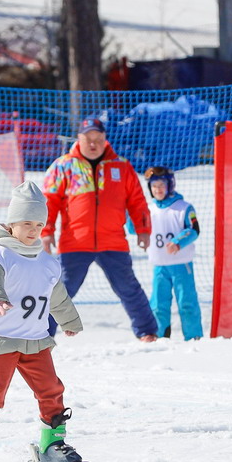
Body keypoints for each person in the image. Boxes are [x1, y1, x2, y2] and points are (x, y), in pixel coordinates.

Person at [0, 181, 85, 462]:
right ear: (12, 223)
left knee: (51, 389)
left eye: (39, 225)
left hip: (36, 339)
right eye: (26, 223)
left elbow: (57, 295)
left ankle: (52, 445)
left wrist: (69, 320)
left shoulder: (47, 262)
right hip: (1, 337)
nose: (33, 230)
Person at [41, 117, 158, 342]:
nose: (93, 144)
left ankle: (147, 331)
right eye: (88, 139)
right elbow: (49, 201)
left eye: (98, 139)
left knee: (128, 287)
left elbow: (137, 201)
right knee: (60, 291)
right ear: (79, 139)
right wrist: (46, 232)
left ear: (105, 139)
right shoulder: (63, 166)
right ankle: (41, 335)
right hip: (75, 242)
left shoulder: (121, 166)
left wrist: (143, 229)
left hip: (113, 241)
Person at [142, 166, 203, 340]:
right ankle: (160, 337)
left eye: (161, 185)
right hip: (160, 266)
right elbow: (135, 228)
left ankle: (194, 337)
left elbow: (194, 229)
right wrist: (128, 212)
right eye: (154, 186)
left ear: (170, 185)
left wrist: (178, 242)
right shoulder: (149, 209)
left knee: (187, 303)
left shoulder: (183, 208)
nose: (158, 190)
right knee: (158, 304)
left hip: (181, 265)